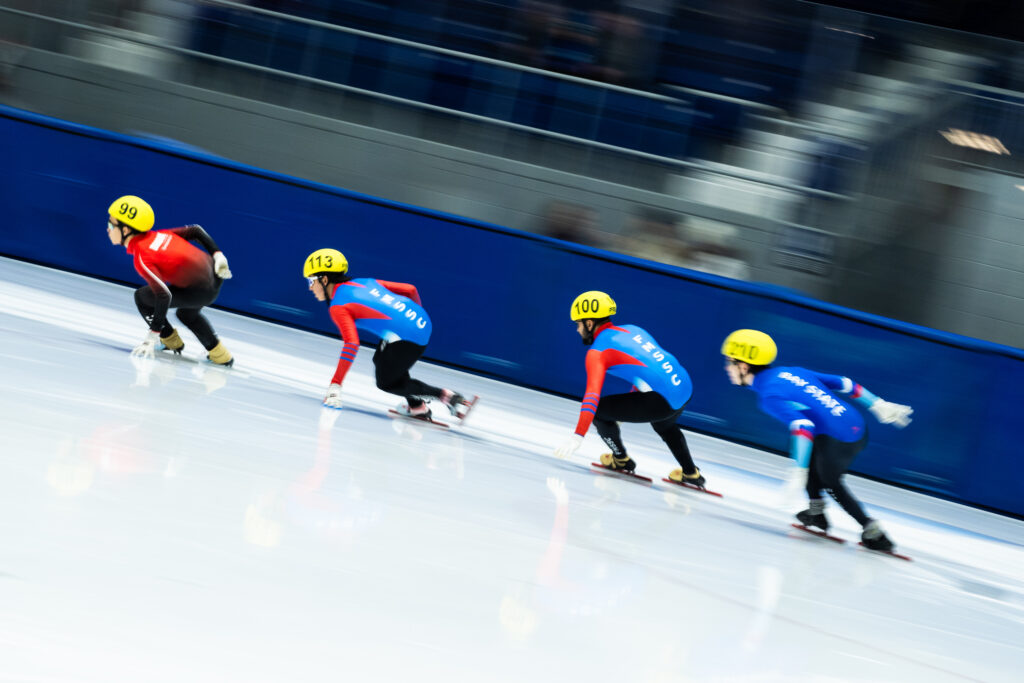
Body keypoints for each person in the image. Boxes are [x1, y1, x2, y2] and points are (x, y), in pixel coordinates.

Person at [721, 329, 914, 551]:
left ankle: (873, 531)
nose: (727, 368)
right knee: (806, 451)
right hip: (856, 425)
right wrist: (877, 404)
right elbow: (844, 383)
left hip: (839, 438)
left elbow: (803, 426)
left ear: (743, 366)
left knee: (829, 480)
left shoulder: (768, 395)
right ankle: (816, 512)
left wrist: (798, 471)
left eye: (729, 362)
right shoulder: (789, 371)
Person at [553, 291, 706, 487]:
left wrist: (578, 435)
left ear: (589, 323)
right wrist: (625, 411)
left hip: (664, 399)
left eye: (578, 324)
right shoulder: (633, 330)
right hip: (685, 387)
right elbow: (645, 372)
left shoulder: (597, 352)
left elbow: (591, 395)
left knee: (599, 411)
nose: (577, 330)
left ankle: (621, 459)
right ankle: (691, 472)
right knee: (664, 424)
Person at [303, 248, 472, 419]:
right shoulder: (364, 282)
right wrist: (411, 318)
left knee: (386, 382)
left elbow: (352, 344)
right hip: (420, 320)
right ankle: (417, 407)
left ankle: (448, 397)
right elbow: (410, 290)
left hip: (407, 337)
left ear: (324, 279)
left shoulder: (338, 306)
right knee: (383, 361)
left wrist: (335, 385)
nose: (310, 288)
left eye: (311, 281)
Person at [107, 195, 234, 365]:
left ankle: (169, 340)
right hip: (215, 274)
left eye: (110, 225)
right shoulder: (160, 235)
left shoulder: (143, 256)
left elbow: (164, 295)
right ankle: (220, 355)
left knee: (142, 297)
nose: (107, 229)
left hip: (199, 289)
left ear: (125, 230)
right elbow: (196, 230)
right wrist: (217, 254)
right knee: (187, 315)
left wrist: (153, 333)